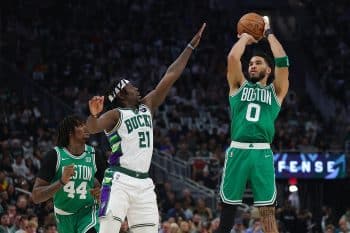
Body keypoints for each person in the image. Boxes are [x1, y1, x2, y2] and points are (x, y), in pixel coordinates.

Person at [86, 23, 206, 233]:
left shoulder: (146, 106)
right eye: (131, 86)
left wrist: (190, 46)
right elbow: (92, 127)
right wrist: (93, 114)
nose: (136, 88)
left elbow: (170, 75)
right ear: (122, 94)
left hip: (144, 184)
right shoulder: (115, 115)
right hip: (118, 180)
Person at [217, 16, 289, 233]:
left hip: (262, 153)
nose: (252, 66)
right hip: (237, 149)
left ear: (268, 70)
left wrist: (268, 33)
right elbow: (232, 57)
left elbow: (283, 61)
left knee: (268, 215)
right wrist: (245, 37)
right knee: (227, 215)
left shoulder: (275, 92)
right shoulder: (238, 86)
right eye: (250, 63)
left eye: (258, 63)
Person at [31, 115, 106, 233]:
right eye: (80, 125)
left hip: (88, 212)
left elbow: (106, 186)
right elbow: (36, 196)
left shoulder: (95, 154)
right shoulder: (55, 156)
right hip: (63, 216)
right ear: (70, 132)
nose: (85, 127)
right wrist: (61, 182)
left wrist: (102, 193)